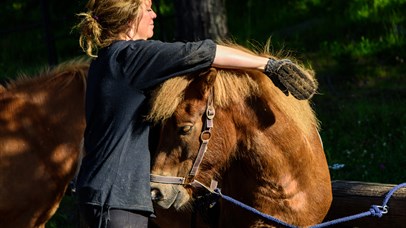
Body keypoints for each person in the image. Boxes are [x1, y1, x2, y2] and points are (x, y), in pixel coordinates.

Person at [74, 0, 317, 227]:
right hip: (116, 200)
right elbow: (202, 53)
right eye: (147, 9)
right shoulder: (133, 56)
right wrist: (268, 66)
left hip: (102, 194)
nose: (154, 14)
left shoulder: (108, 59)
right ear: (129, 19)